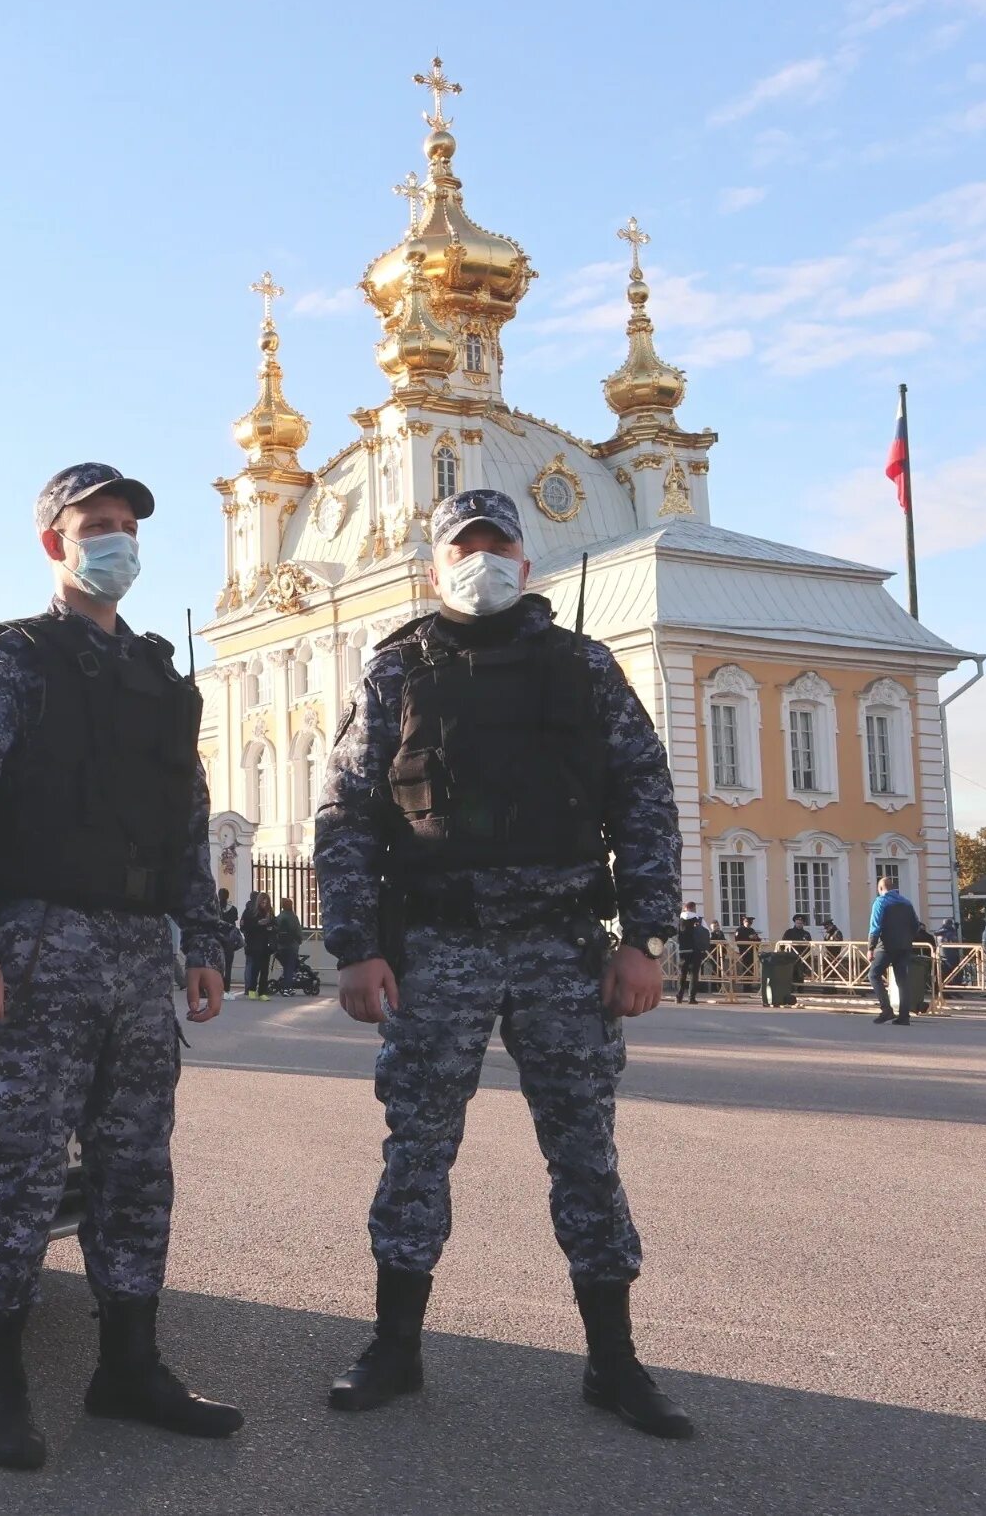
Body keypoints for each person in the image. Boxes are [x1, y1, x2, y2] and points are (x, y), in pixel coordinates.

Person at [314, 489, 693, 1440]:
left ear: (524, 564)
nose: (479, 560)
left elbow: (644, 796)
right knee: (417, 1148)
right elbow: (346, 814)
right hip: (438, 942)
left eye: (496, 545)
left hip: (564, 945)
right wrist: (355, 947)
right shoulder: (396, 671)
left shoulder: (584, 667)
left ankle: (613, 1361)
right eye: (462, 547)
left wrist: (646, 941)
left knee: (584, 1156)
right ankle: (393, 1348)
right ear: (435, 565)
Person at [0, 462, 241, 1471]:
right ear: (55, 542)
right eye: (96, 525)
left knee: (138, 1168)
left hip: (141, 959)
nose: (116, 542)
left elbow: (188, 829)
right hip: (37, 948)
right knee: (17, 1168)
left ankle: (129, 1367)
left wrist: (208, 942)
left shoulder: (159, 680)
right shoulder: (14, 662)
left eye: (127, 526)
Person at [867, 875, 933, 1025]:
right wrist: (907, 938)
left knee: (873, 975)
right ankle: (904, 1016)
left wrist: (871, 947)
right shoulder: (907, 903)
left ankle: (886, 1010)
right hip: (904, 947)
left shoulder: (880, 902)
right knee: (902, 981)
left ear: (881, 889)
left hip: (886, 946)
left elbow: (875, 927)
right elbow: (916, 925)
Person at [675, 903, 711, 1003]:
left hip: (683, 950)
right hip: (696, 950)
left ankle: (679, 997)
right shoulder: (699, 919)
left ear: (685, 908)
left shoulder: (679, 919)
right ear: (694, 908)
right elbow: (707, 933)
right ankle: (691, 998)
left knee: (682, 974)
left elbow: (674, 933)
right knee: (694, 975)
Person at [241, 891, 275, 1000]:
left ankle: (262, 992)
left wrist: (270, 927)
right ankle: (251, 989)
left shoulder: (270, 912)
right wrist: (259, 924)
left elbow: (275, 925)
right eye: (262, 902)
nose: (264, 904)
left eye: (266, 902)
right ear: (259, 902)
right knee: (255, 968)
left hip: (266, 944)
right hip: (255, 944)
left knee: (265, 969)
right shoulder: (252, 912)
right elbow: (246, 927)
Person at [273, 896, 305, 988]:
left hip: (281, 946)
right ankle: (287, 987)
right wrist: (299, 941)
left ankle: (284, 984)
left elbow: (275, 931)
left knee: (285, 966)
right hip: (292, 945)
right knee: (290, 967)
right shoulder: (294, 917)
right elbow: (298, 931)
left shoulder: (279, 917)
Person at [216, 887, 240, 985]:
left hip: (217, 939)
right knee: (228, 965)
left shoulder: (215, 909)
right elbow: (234, 920)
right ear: (228, 896)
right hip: (229, 938)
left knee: (217, 965)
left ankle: (217, 985)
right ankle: (227, 987)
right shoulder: (233, 909)